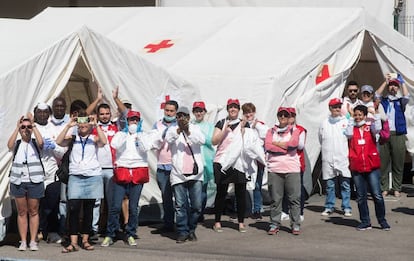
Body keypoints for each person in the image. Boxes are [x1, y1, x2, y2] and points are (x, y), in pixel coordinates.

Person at [56, 109, 107, 253]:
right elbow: (58, 142)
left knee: (89, 210)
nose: (83, 125)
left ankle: (85, 239)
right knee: (73, 209)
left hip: (92, 176)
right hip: (76, 177)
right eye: (81, 121)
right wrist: (69, 125)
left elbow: (104, 142)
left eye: (86, 121)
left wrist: (96, 125)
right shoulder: (73, 137)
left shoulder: (94, 137)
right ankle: (73, 242)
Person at [211, 99, 264, 233]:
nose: (233, 109)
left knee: (241, 193)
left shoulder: (243, 124)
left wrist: (242, 129)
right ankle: (217, 221)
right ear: (228, 109)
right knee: (221, 192)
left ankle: (241, 222)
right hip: (222, 161)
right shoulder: (221, 123)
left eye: (235, 107)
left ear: (238, 109)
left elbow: (248, 143)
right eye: (230, 107)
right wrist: (225, 130)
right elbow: (214, 141)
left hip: (239, 163)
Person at [101, 110, 151, 247]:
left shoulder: (143, 135)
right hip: (122, 171)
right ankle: (110, 233)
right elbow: (115, 145)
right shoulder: (120, 134)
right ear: (127, 121)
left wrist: (138, 136)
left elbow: (146, 148)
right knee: (115, 206)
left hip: (138, 171)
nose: (133, 122)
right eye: (131, 120)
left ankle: (130, 233)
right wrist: (125, 133)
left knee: (133, 207)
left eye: (136, 120)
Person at [345, 105, 391, 231]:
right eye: (356, 115)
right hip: (357, 166)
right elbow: (348, 134)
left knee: (377, 195)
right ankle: (365, 221)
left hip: (372, 166)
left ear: (365, 116)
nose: (358, 117)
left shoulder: (370, 127)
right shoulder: (351, 128)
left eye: (360, 115)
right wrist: (350, 117)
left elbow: (378, 129)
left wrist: (375, 114)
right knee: (361, 196)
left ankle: (382, 221)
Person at [166, 106, 205, 243]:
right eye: (179, 116)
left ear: (189, 117)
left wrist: (187, 129)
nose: (181, 118)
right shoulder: (171, 129)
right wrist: (179, 129)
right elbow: (169, 139)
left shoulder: (195, 129)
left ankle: (192, 229)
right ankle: (182, 231)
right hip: (178, 174)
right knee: (180, 205)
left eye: (184, 116)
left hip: (195, 174)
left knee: (197, 206)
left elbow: (201, 141)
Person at [7, 113, 44, 251]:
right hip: (18, 180)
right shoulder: (17, 143)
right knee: (22, 211)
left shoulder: (35, 142)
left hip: (35, 180)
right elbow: (9, 145)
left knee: (33, 211)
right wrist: (17, 128)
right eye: (24, 127)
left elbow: (42, 143)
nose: (26, 129)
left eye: (28, 127)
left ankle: (33, 240)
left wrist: (34, 126)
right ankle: (23, 240)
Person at [265, 107, 301, 235]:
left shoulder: (295, 131)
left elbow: (293, 145)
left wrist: (277, 144)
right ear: (278, 116)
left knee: (294, 198)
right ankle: (274, 223)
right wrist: (284, 148)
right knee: (275, 199)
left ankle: (295, 224)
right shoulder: (271, 131)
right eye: (281, 115)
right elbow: (268, 146)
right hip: (275, 169)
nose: (283, 117)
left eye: (286, 115)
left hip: (292, 169)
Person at [375, 74, 410, 197]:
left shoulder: (400, 101)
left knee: (398, 162)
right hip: (385, 133)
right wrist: (385, 82)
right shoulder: (383, 100)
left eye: (395, 86)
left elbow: (407, 96)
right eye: (391, 86)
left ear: (398, 88)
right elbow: (376, 95)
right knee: (383, 162)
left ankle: (396, 187)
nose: (393, 88)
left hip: (398, 133)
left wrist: (402, 82)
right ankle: (384, 187)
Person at [33, 103, 63, 243]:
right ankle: (39, 231)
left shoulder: (54, 128)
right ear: (35, 113)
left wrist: (54, 146)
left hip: (52, 172)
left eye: (45, 112)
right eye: (40, 112)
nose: (43, 115)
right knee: (36, 205)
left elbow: (62, 152)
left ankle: (52, 231)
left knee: (52, 204)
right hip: (35, 172)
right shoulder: (30, 128)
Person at [319, 98, 352, 217]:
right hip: (328, 157)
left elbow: (350, 135)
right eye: (335, 107)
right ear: (330, 108)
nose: (337, 109)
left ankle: (346, 207)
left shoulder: (345, 121)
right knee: (330, 184)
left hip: (342, 156)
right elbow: (320, 138)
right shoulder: (324, 122)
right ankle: (329, 206)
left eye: (339, 107)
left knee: (345, 183)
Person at [152, 100, 179, 232]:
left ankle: (182, 224)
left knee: (180, 198)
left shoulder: (180, 125)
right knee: (166, 197)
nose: (168, 113)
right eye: (167, 110)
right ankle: (168, 224)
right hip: (162, 166)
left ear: (176, 112)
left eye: (171, 111)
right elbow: (152, 142)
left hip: (177, 166)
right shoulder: (157, 125)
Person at [241, 102, 268, 220]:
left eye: (250, 112)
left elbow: (266, 135)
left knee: (257, 185)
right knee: (244, 185)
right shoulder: (241, 125)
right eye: (246, 112)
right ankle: (245, 209)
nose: (248, 114)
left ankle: (257, 209)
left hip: (257, 160)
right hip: (245, 160)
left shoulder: (260, 125)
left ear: (254, 112)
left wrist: (255, 125)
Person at [281, 107, 308, 222]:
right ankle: (284, 211)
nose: (289, 118)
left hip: (297, 163)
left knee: (298, 189)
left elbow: (300, 145)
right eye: (287, 116)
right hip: (284, 162)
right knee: (283, 189)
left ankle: (300, 211)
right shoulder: (281, 129)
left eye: (292, 116)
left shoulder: (301, 130)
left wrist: (286, 143)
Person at [191, 101, 215, 223]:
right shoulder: (190, 125)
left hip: (206, 161)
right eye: (196, 111)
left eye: (201, 110)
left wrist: (198, 135)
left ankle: (200, 212)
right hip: (193, 161)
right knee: (194, 188)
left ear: (204, 112)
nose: (199, 113)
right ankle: (194, 211)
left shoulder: (210, 126)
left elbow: (211, 140)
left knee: (203, 190)